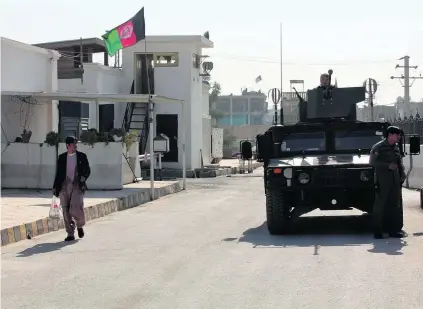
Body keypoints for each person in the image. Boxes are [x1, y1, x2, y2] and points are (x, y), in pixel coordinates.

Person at [369, 126, 406, 239]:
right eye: (397, 134)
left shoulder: (395, 147)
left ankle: (393, 231)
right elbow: (372, 162)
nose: (399, 137)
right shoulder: (378, 147)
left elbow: (398, 162)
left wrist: (402, 173)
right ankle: (378, 231)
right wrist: (387, 166)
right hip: (383, 181)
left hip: (395, 181)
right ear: (390, 135)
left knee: (394, 207)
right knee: (380, 207)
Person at [53, 136, 91, 241]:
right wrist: (55, 187)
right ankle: (70, 233)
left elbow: (87, 170)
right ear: (68, 145)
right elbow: (58, 174)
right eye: (74, 144)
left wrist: (83, 177)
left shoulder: (82, 156)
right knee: (65, 210)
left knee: (75, 208)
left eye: (76, 143)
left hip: (77, 185)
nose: (76, 145)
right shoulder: (61, 158)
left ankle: (79, 225)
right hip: (64, 186)